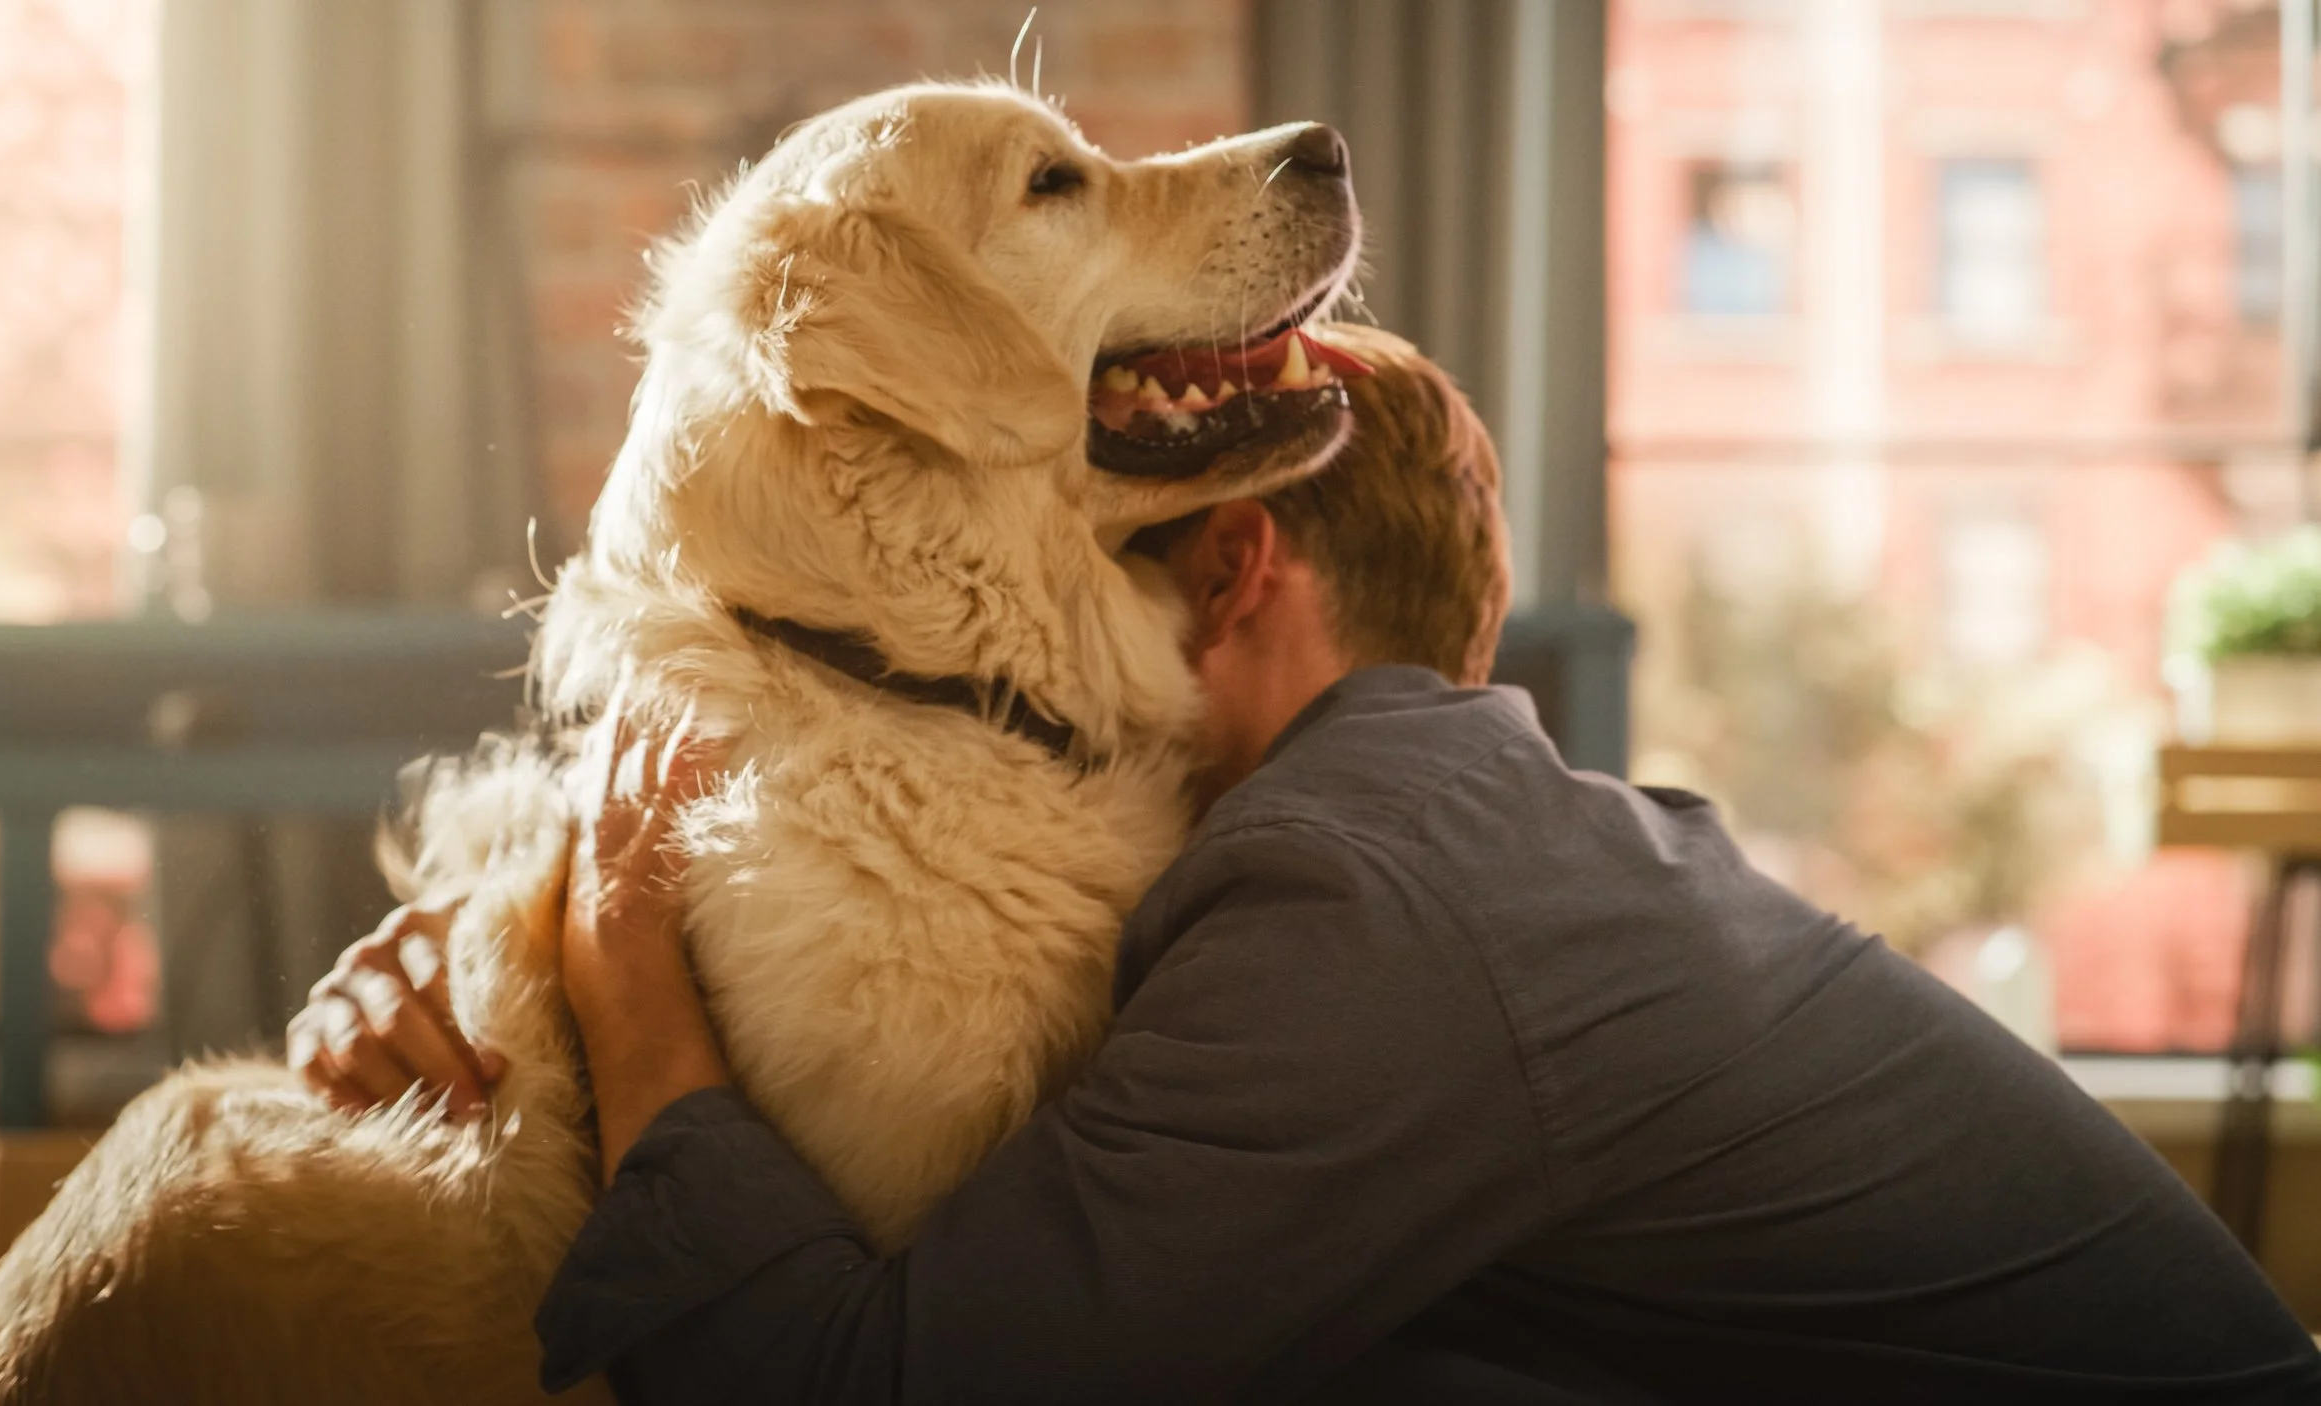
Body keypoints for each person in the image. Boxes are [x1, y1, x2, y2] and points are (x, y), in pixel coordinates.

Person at [291, 325, 2321, 1404]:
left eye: (1071, 562)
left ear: (1235, 564)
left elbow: (871, 1390)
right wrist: (494, 959)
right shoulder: (1448, 827)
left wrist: (634, 977)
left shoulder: (1369, 893)